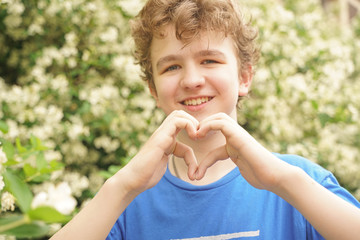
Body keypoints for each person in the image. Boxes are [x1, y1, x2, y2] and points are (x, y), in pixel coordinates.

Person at [51, 0, 360, 239]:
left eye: (209, 60)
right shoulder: (126, 202)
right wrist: (120, 188)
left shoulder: (299, 183)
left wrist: (284, 182)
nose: (192, 79)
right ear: (153, 90)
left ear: (244, 76)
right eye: (171, 67)